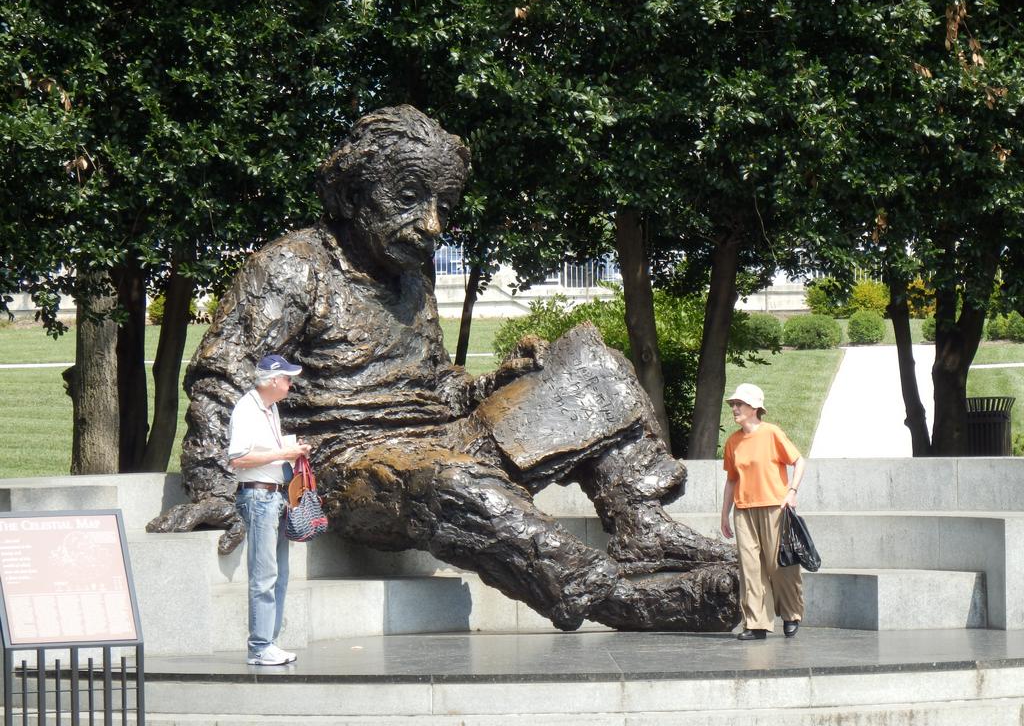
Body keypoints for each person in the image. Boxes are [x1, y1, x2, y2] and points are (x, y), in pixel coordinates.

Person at [149, 105, 739, 633]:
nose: (432, 224)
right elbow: (224, 376)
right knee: (451, 483)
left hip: (442, 441)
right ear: (354, 195)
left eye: (443, 207)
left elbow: (434, 385)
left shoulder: (412, 276)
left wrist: (495, 382)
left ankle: (641, 525)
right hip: (346, 464)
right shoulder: (291, 267)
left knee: (594, 367)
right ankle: (616, 599)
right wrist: (218, 486)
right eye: (409, 196)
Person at [228, 354, 311, 665]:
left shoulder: (269, 408)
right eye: (288, 378)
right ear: (273, 381)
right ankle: (260, 646)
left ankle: (269, 642)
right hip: (259, 498)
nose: (291, 384)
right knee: (265, 575)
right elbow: (238, 458)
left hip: (274, 497)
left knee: (280, 574)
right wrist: (284, 452)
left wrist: (291, 452)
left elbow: (266, 453)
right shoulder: (247, 409)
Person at [719, 383, 806, 640]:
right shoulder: (733, 441)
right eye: (733, 404)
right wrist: (724, 513)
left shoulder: (771, 433)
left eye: (740, 404)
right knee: (750, 568)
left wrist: (792, 491)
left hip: (774, 507)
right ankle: (756, 624)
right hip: (744, 511)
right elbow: (732, 479)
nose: (734, 408)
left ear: (754, 407)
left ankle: (791, 614)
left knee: (779, 565)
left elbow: (799, 461)